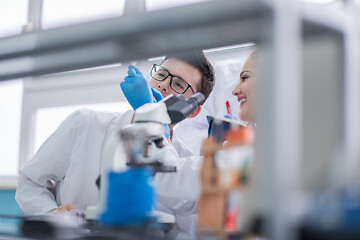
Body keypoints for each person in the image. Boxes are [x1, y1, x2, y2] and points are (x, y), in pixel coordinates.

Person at [15, 51, 214, 222]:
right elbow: (30, 181)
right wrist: (51, 214)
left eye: (178, 85)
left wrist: (153, 124)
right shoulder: (85, 123)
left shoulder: (183, 159)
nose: (163, 85)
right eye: (161, 74)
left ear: (193, 111)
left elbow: (185, 206)